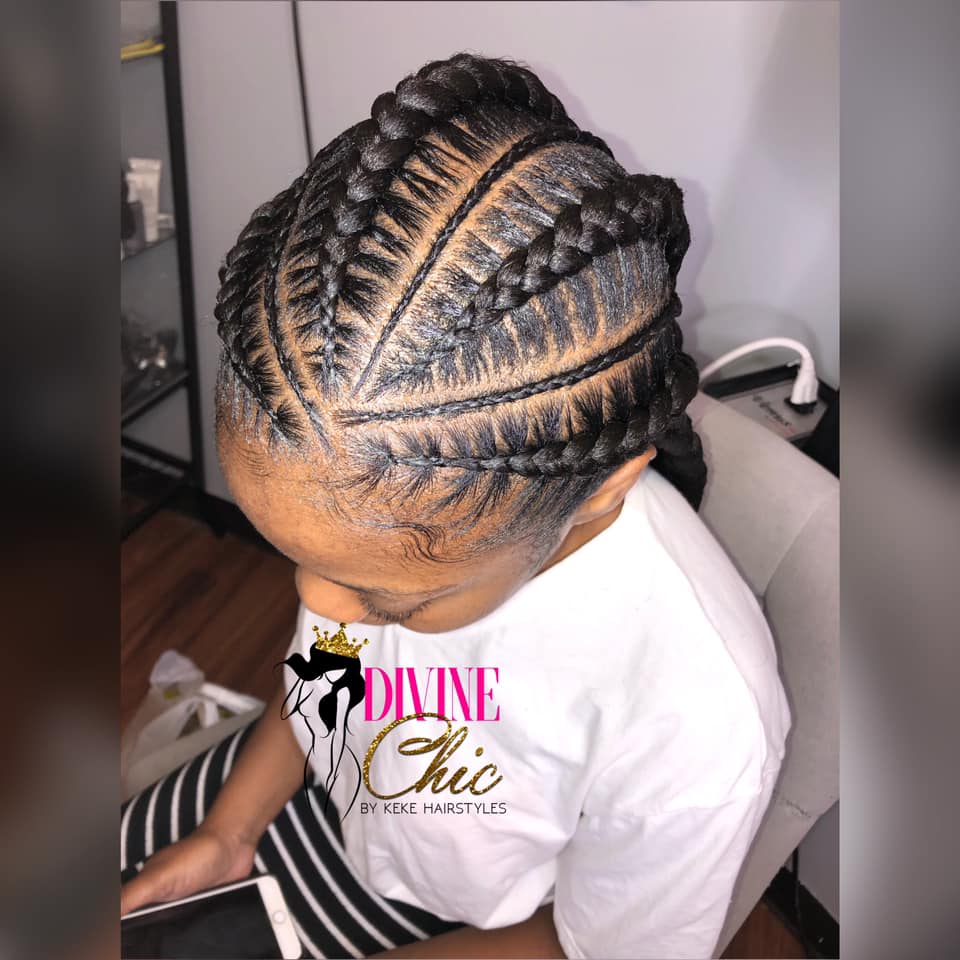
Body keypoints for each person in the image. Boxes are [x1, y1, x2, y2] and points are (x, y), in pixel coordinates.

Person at [120, 52, 790, 959]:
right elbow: (324, 685)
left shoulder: (699, 721)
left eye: (389, 602)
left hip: (471, 921)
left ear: (600, 489)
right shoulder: (380, 541)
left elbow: (591, 948)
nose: (318, 606)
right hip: (313, 791)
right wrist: (227, 834)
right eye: (299, 560)